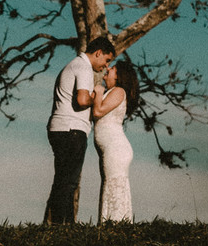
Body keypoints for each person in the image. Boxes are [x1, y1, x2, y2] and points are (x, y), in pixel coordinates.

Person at [43, 36, 115, 224]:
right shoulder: (83, 67)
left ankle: (63, 225)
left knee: (63, 180)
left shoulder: (73, 65)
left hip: (61, 127)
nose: (106, 66)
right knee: (68, 182)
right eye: (107, 60)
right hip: (71, 129)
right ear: (98, 53)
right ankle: (62, 226)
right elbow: (82, 100)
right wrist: (97, 95)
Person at [91, 57, 140, 224]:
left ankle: (114, 225)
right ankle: (113, 225)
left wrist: (98, 92)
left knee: (113, 185)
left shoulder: (118, 91)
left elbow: (98, 112)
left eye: (112, 69)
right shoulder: (111, 92)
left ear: (118, 76)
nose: (107, 69)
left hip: (116, 149)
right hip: (111, 149)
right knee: (111, 185)